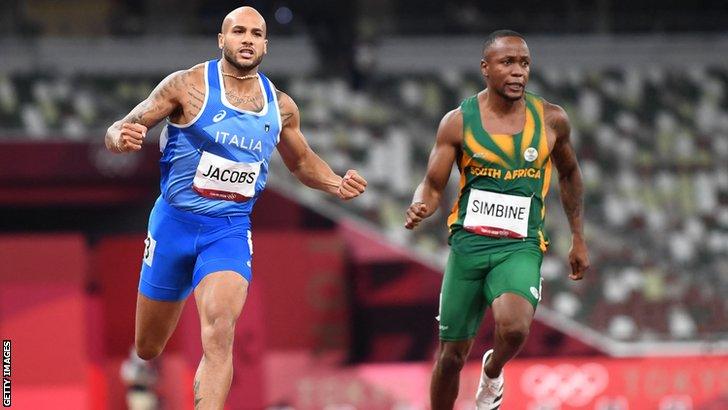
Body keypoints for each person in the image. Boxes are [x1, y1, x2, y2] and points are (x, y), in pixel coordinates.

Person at [105, 6, 367, 409]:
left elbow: (300, 161)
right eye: (239, 31)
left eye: (256, 34)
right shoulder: (187, 86)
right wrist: (120, 137)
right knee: (148, 346)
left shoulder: (280, 106)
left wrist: (335, 182)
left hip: (227, 230)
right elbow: (119, 127)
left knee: (220, 330)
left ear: (266, 44)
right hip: (172, 225)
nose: (247, 39)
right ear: (221, 40)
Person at [404, 30, 589, 409]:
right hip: (469, 245)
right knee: (452, 356)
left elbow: (569, 174)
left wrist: (578, 236)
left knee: (515, 325)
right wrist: (421, 205)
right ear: (485, 69)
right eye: (507, 63)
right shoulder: (457, 122)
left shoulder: (552, 120)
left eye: (524, 63)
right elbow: (432, 185)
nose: (518, 71)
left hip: (519, 244)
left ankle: (493, 371)